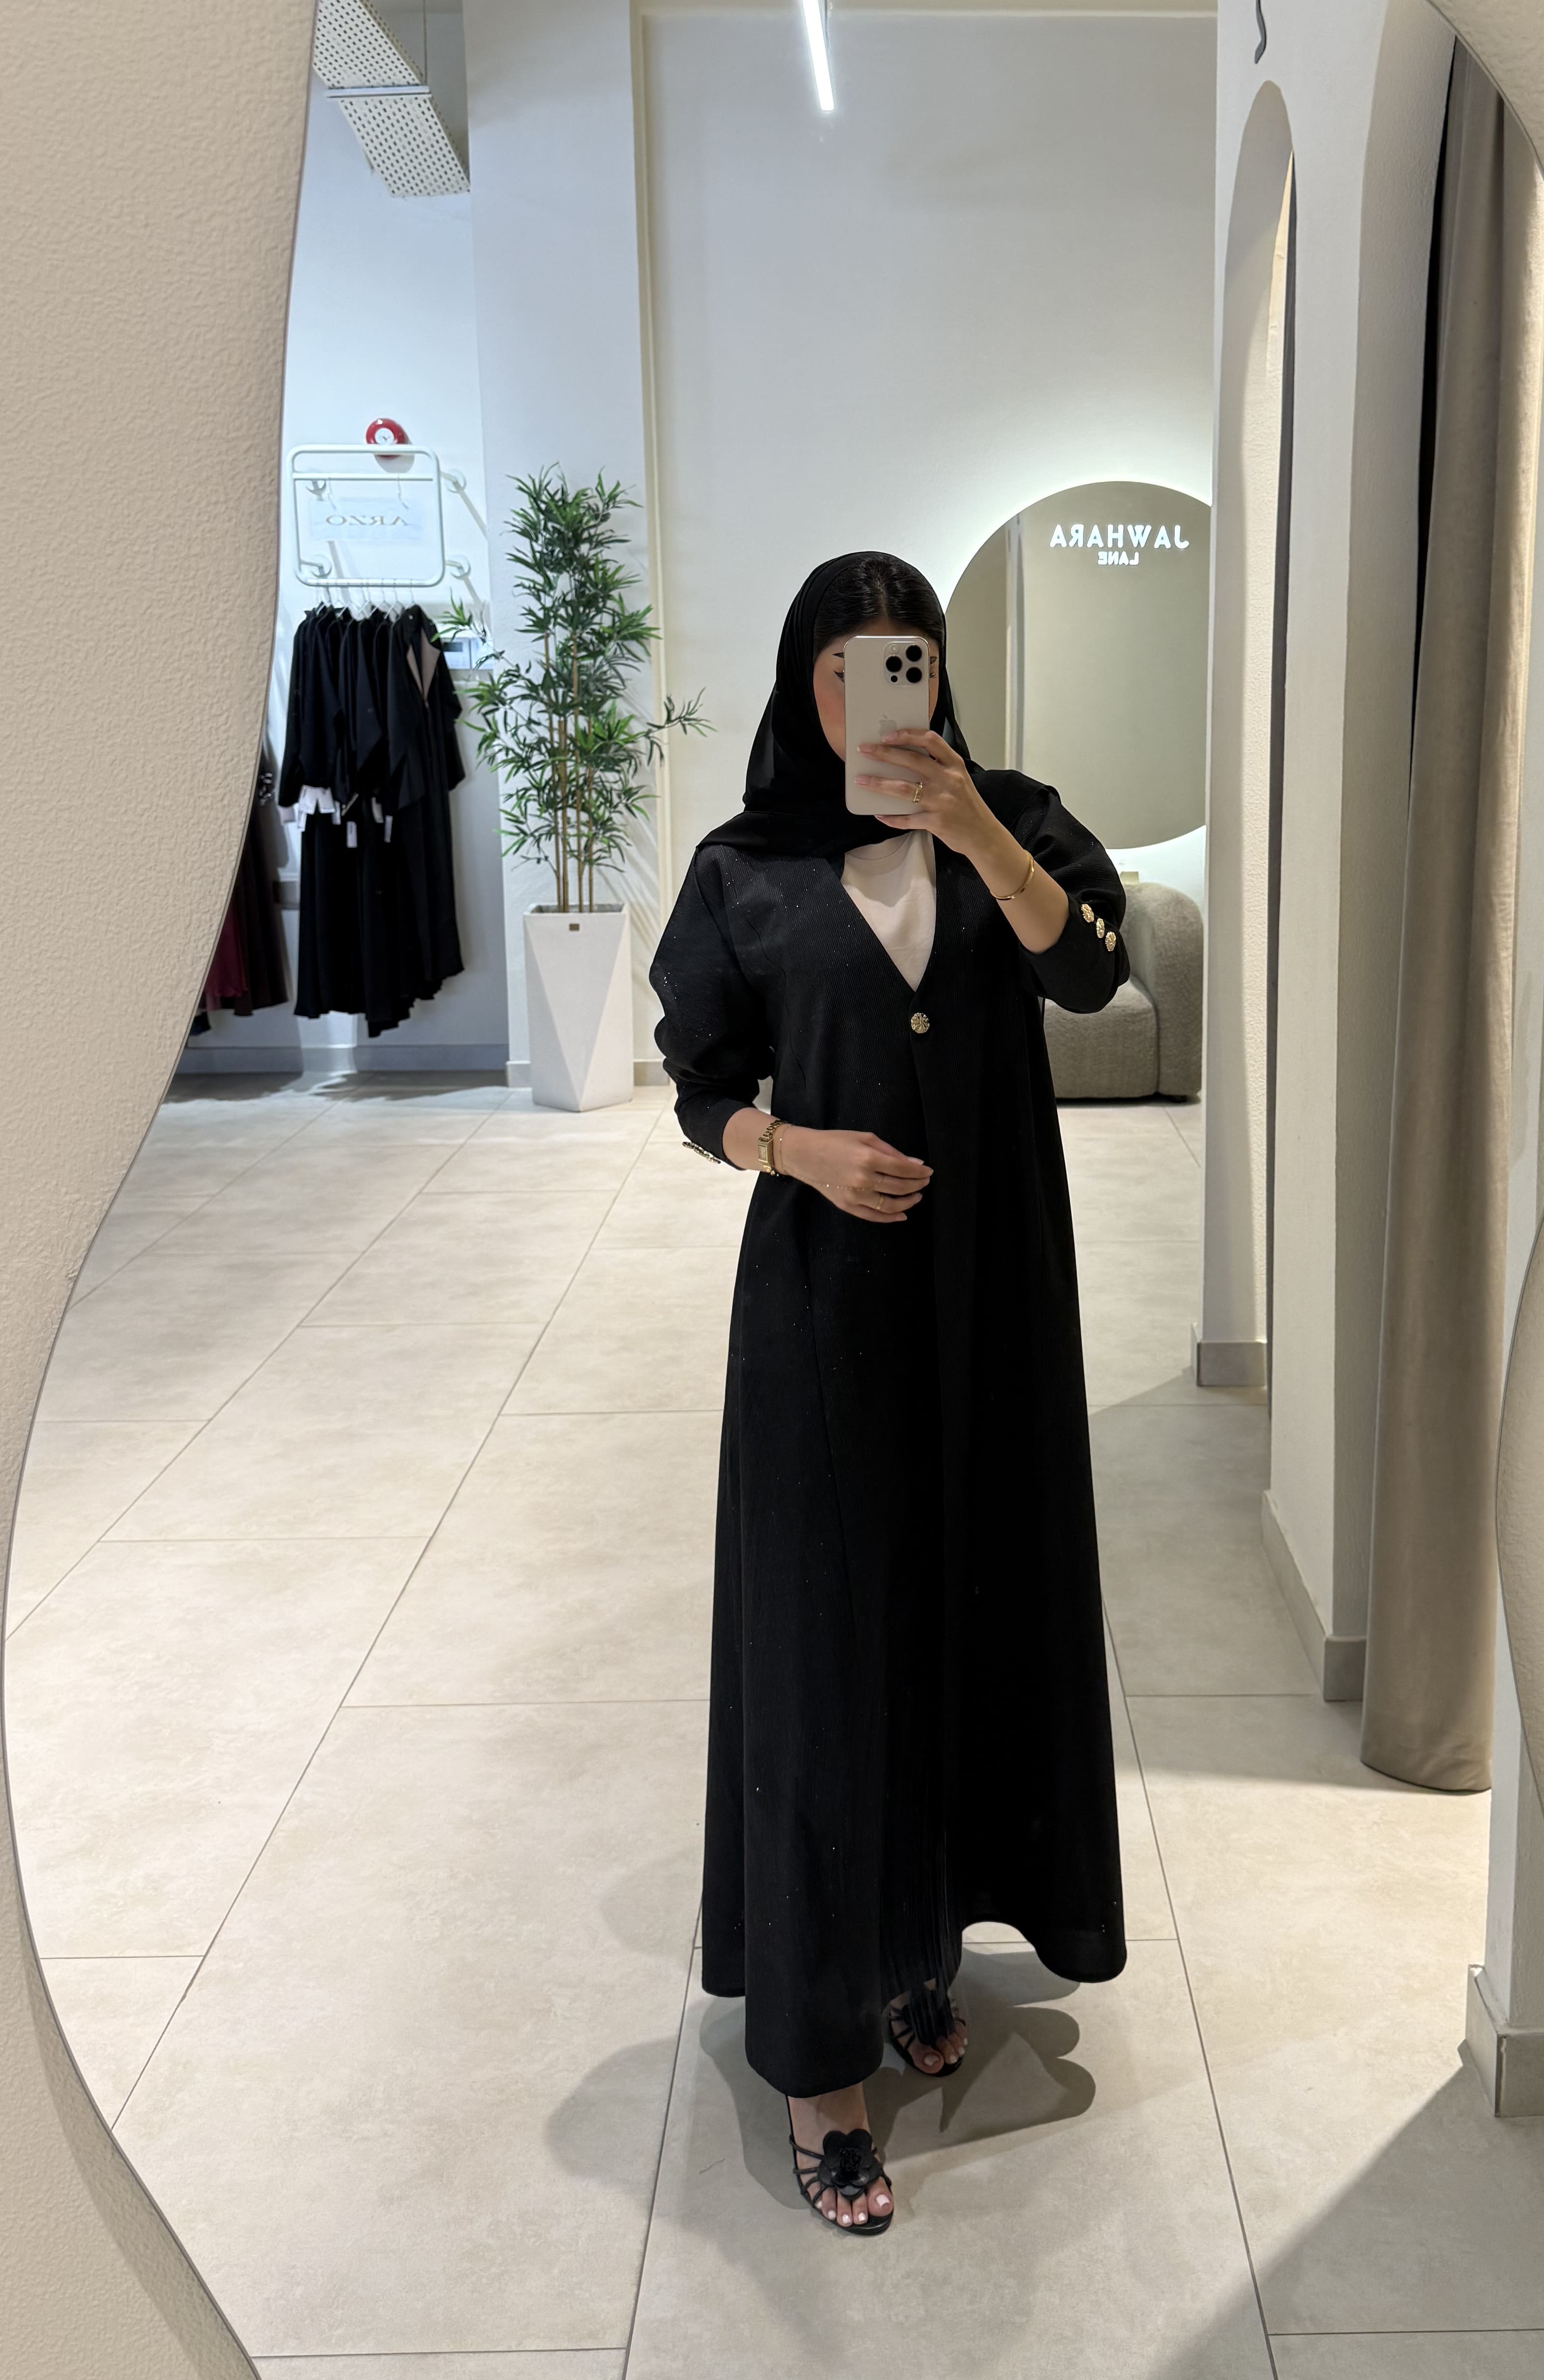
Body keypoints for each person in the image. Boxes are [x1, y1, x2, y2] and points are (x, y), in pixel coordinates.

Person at [650, 550, 1130, 2236]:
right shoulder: (744, 869)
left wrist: (976, 824)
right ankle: (821, 2065)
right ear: (807, 685)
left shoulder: (1021, 825)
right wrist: (792, 1148)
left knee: (973, 1613)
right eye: (847, 668)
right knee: (827, 1649)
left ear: (941, 675)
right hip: (826, 1316)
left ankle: (921, 1946)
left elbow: (1088, 972)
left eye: (907, 663)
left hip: (996, 1302)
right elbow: (698, 1081)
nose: (877, 698)